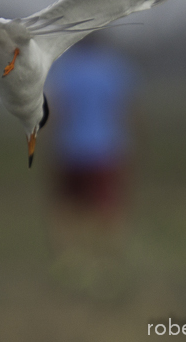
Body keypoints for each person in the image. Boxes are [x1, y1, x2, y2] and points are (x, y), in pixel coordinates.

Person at [44, 32, 139, 297]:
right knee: (109, 210)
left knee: (67, 209)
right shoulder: (115, 67)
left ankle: (70, 263)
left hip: (71, 148)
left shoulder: (65, 69)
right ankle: (109, 264)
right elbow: (125, 111)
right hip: (106, 149)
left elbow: (56, 111)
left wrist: (51, 147)